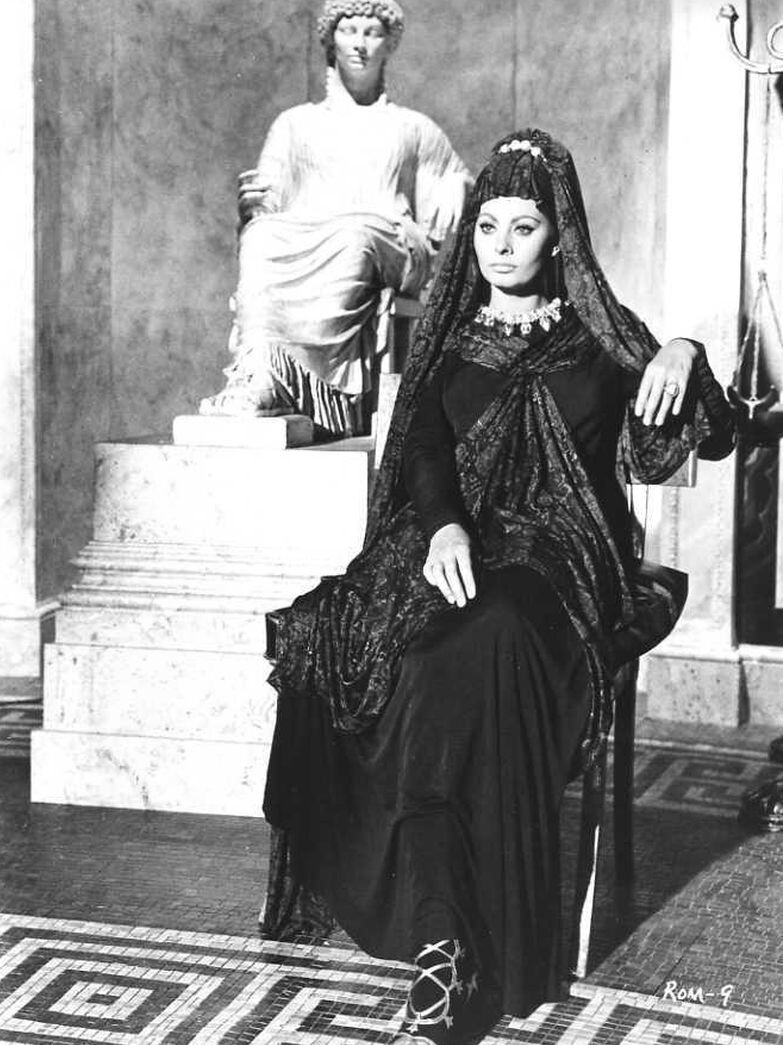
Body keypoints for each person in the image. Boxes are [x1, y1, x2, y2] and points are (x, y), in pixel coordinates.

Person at [260, 129, 736, 1042]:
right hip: (460, 552)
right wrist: (443, 523)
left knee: (486, 639)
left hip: (566, 563)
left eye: (523, 227)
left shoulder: (600, 338)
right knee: (398, 655)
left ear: (558, 236)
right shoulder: (448, 342)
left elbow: (704, 438)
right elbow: (423, 455)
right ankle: (444, 939)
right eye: (487, 227)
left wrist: (680, 349)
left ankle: (457, 938)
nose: (501, 246)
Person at [199, 0, 471, 437]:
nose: (360, 44)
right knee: (262, 237)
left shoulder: (412, 127)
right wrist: (254, 205)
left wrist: (455, 191)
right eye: (349, 31)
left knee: (353, 237)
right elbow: (268, 198)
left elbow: (456, 179)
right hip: (312, 233)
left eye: (372, 32)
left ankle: (327, 392)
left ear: (388, 44)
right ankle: (261, 372)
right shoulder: (295, 124)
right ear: (331, 41)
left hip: (387, 241)